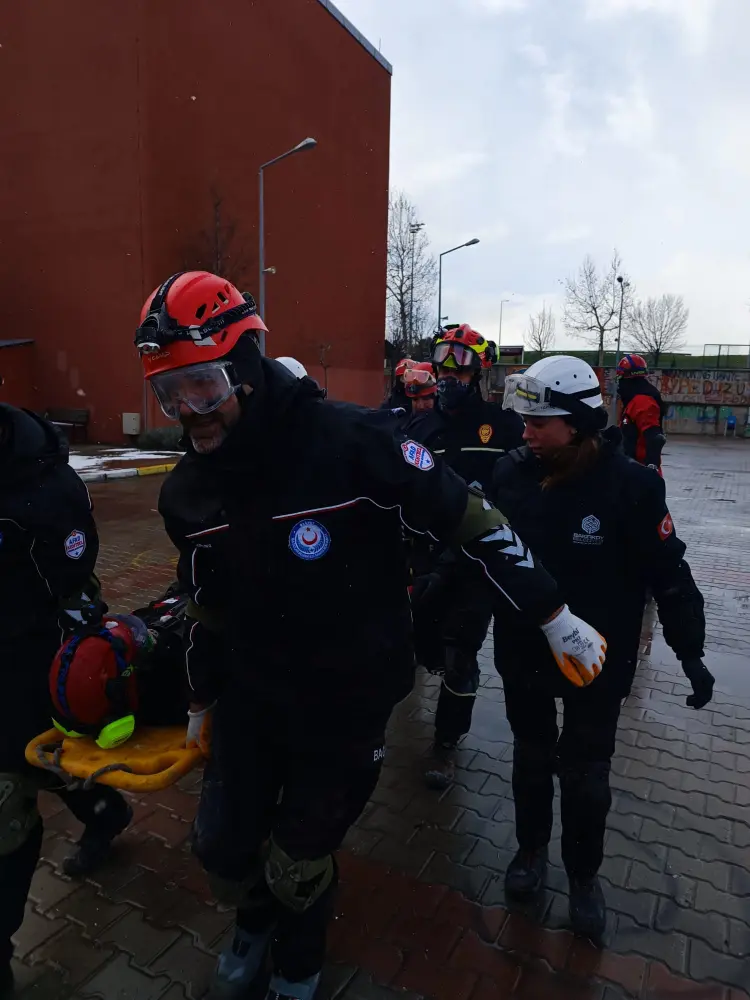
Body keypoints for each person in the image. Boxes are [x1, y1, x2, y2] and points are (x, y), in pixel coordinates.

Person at [133, 270, 607, 1000]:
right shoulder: (187, 491)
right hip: (253, 693)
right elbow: (205, 600)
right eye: (170, 395)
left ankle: (298, 964)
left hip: (347, 692)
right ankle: (252, 923)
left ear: (248, 364)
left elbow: (467, 515)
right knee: (224, 849)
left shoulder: (352, 442)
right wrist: (199, 696)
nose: (189, 412)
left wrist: (552, 614)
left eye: (202, 385)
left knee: (300, 857)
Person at [491, 355, 713, 941]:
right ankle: (531, 854)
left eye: (539, 423)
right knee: (532, 755)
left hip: (599, 659)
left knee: (586, 773)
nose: (527, 432)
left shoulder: (633, 487)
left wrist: (689, 647)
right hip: (523, 647)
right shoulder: (511, 476)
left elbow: (669, 568)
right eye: (526, 421)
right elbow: (476, 555)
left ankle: (584, 877)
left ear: (579, 422)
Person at [0, 405, 132, 1000]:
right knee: (42, 770)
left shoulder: (44, 484)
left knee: (12, 794)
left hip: (35, 653)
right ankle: (104, 811)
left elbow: (72, 577)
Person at [406, 325, 525, 788]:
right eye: (443, 362)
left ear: (481, 369)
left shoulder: (504, 428)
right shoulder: (417, 426)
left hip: (475, 565)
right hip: (421, 559)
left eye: (461, 364)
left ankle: (445, 744)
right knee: (409, 643)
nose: (450, 372)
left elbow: (515, 495)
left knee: (461, 657)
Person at [617, 354, 668, 472]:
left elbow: (655, 438)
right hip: (630, 469)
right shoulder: (633, 399)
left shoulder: (642, 402)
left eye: (619, 378)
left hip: (639, 473)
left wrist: (651, 468)